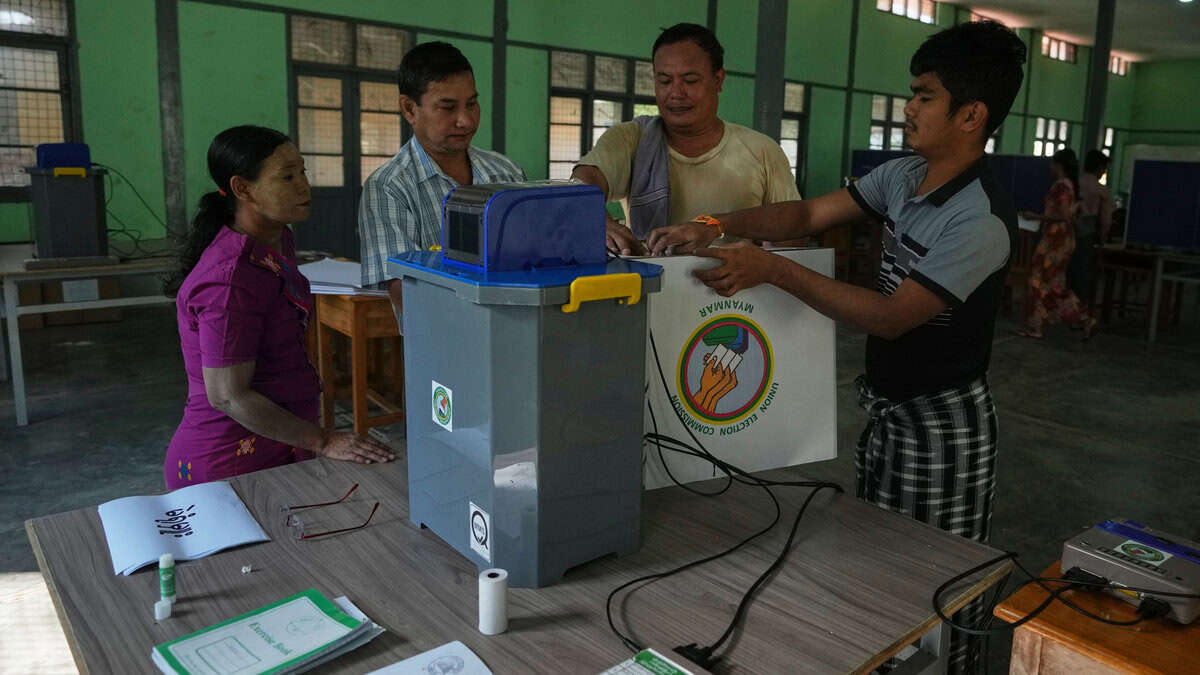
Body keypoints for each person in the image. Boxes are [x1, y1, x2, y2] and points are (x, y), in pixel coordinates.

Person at [647, 21, 1026, 673]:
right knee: (880, 578)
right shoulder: (905, 176)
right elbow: (804, 216)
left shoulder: (979, 220)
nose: (908, 107)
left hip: (942, 425)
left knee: (938, 586)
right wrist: (713, 223)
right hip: (888, 409)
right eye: (912, 92)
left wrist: (778, 272)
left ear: (971, 115)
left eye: (925, 96)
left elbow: (890, 317)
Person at [163, 126, 394, 490]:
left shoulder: (275, 238)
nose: (304, 185)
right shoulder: (230, 281)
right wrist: (324, 440)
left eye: (302, 171)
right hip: (229, 464)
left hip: (279, 445)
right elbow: (227, 394)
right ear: (242, 189)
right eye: (287, 176)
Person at [571, 23, 799, 255]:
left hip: (739, 287)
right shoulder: (632, 139)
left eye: (690, 81)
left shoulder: (762, 151)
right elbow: (583, 180)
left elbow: (792, 229)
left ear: (718, 80)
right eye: (664, 81)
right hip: (653, 284)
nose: (676, 93)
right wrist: (599, 220)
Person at [360, 41, 525, 317]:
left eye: (472, 104)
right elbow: (407, 295)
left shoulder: (506, 172)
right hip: (442, 344)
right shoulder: (389, 188)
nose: (466, 121)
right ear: (409, 109)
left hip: (515, 329)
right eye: (448, 108)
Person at [1018, 148, 1098, 339]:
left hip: (1055, 240)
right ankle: (1083, 318)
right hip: (1064, 240)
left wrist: (1034, 216)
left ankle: (1035, 326)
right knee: (1054, 285)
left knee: (1036, 280)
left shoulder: (1061, 186)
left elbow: (1062, 215)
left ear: (1058, 165)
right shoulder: (1070, 185)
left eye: (1053, 163)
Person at [1069, 149, 1114, 304]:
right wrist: (1102, 240)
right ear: (1098, 168)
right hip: (1087, 236)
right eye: (1104, 168)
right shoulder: (1102, 191)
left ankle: (1063, 309)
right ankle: (1079, 311)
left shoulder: (1073, 184)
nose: (1104, 172)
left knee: (1067, 273)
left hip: (1067, 233)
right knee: (1084, 274)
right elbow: (1105, 220)